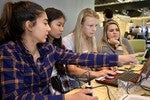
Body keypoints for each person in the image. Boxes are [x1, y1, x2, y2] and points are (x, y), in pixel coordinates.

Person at [0, 1, 136, 100]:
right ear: (29, 25)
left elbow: (80, 57)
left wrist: (119, 59)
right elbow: (15, 97)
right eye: (45, 23)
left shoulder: (46, 48)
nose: (48, 29)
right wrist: (68, 98)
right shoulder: (8, 52)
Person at [62, 8, 116, 89]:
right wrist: (97, 74)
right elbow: (72, 69)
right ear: (81, 24)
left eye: (96, 25)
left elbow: (94, 61)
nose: (94, 29)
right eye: (90, 26)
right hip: (75, 81)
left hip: (89, 78)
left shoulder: (92, 38)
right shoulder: (67, 40)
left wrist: (105, 67)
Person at [45, 8, 71, 93]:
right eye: (58, 25)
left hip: (61, 86)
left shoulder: (60, 46)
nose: (62, 29)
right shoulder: (40, 49)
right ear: (47, 24)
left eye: (63, 26)